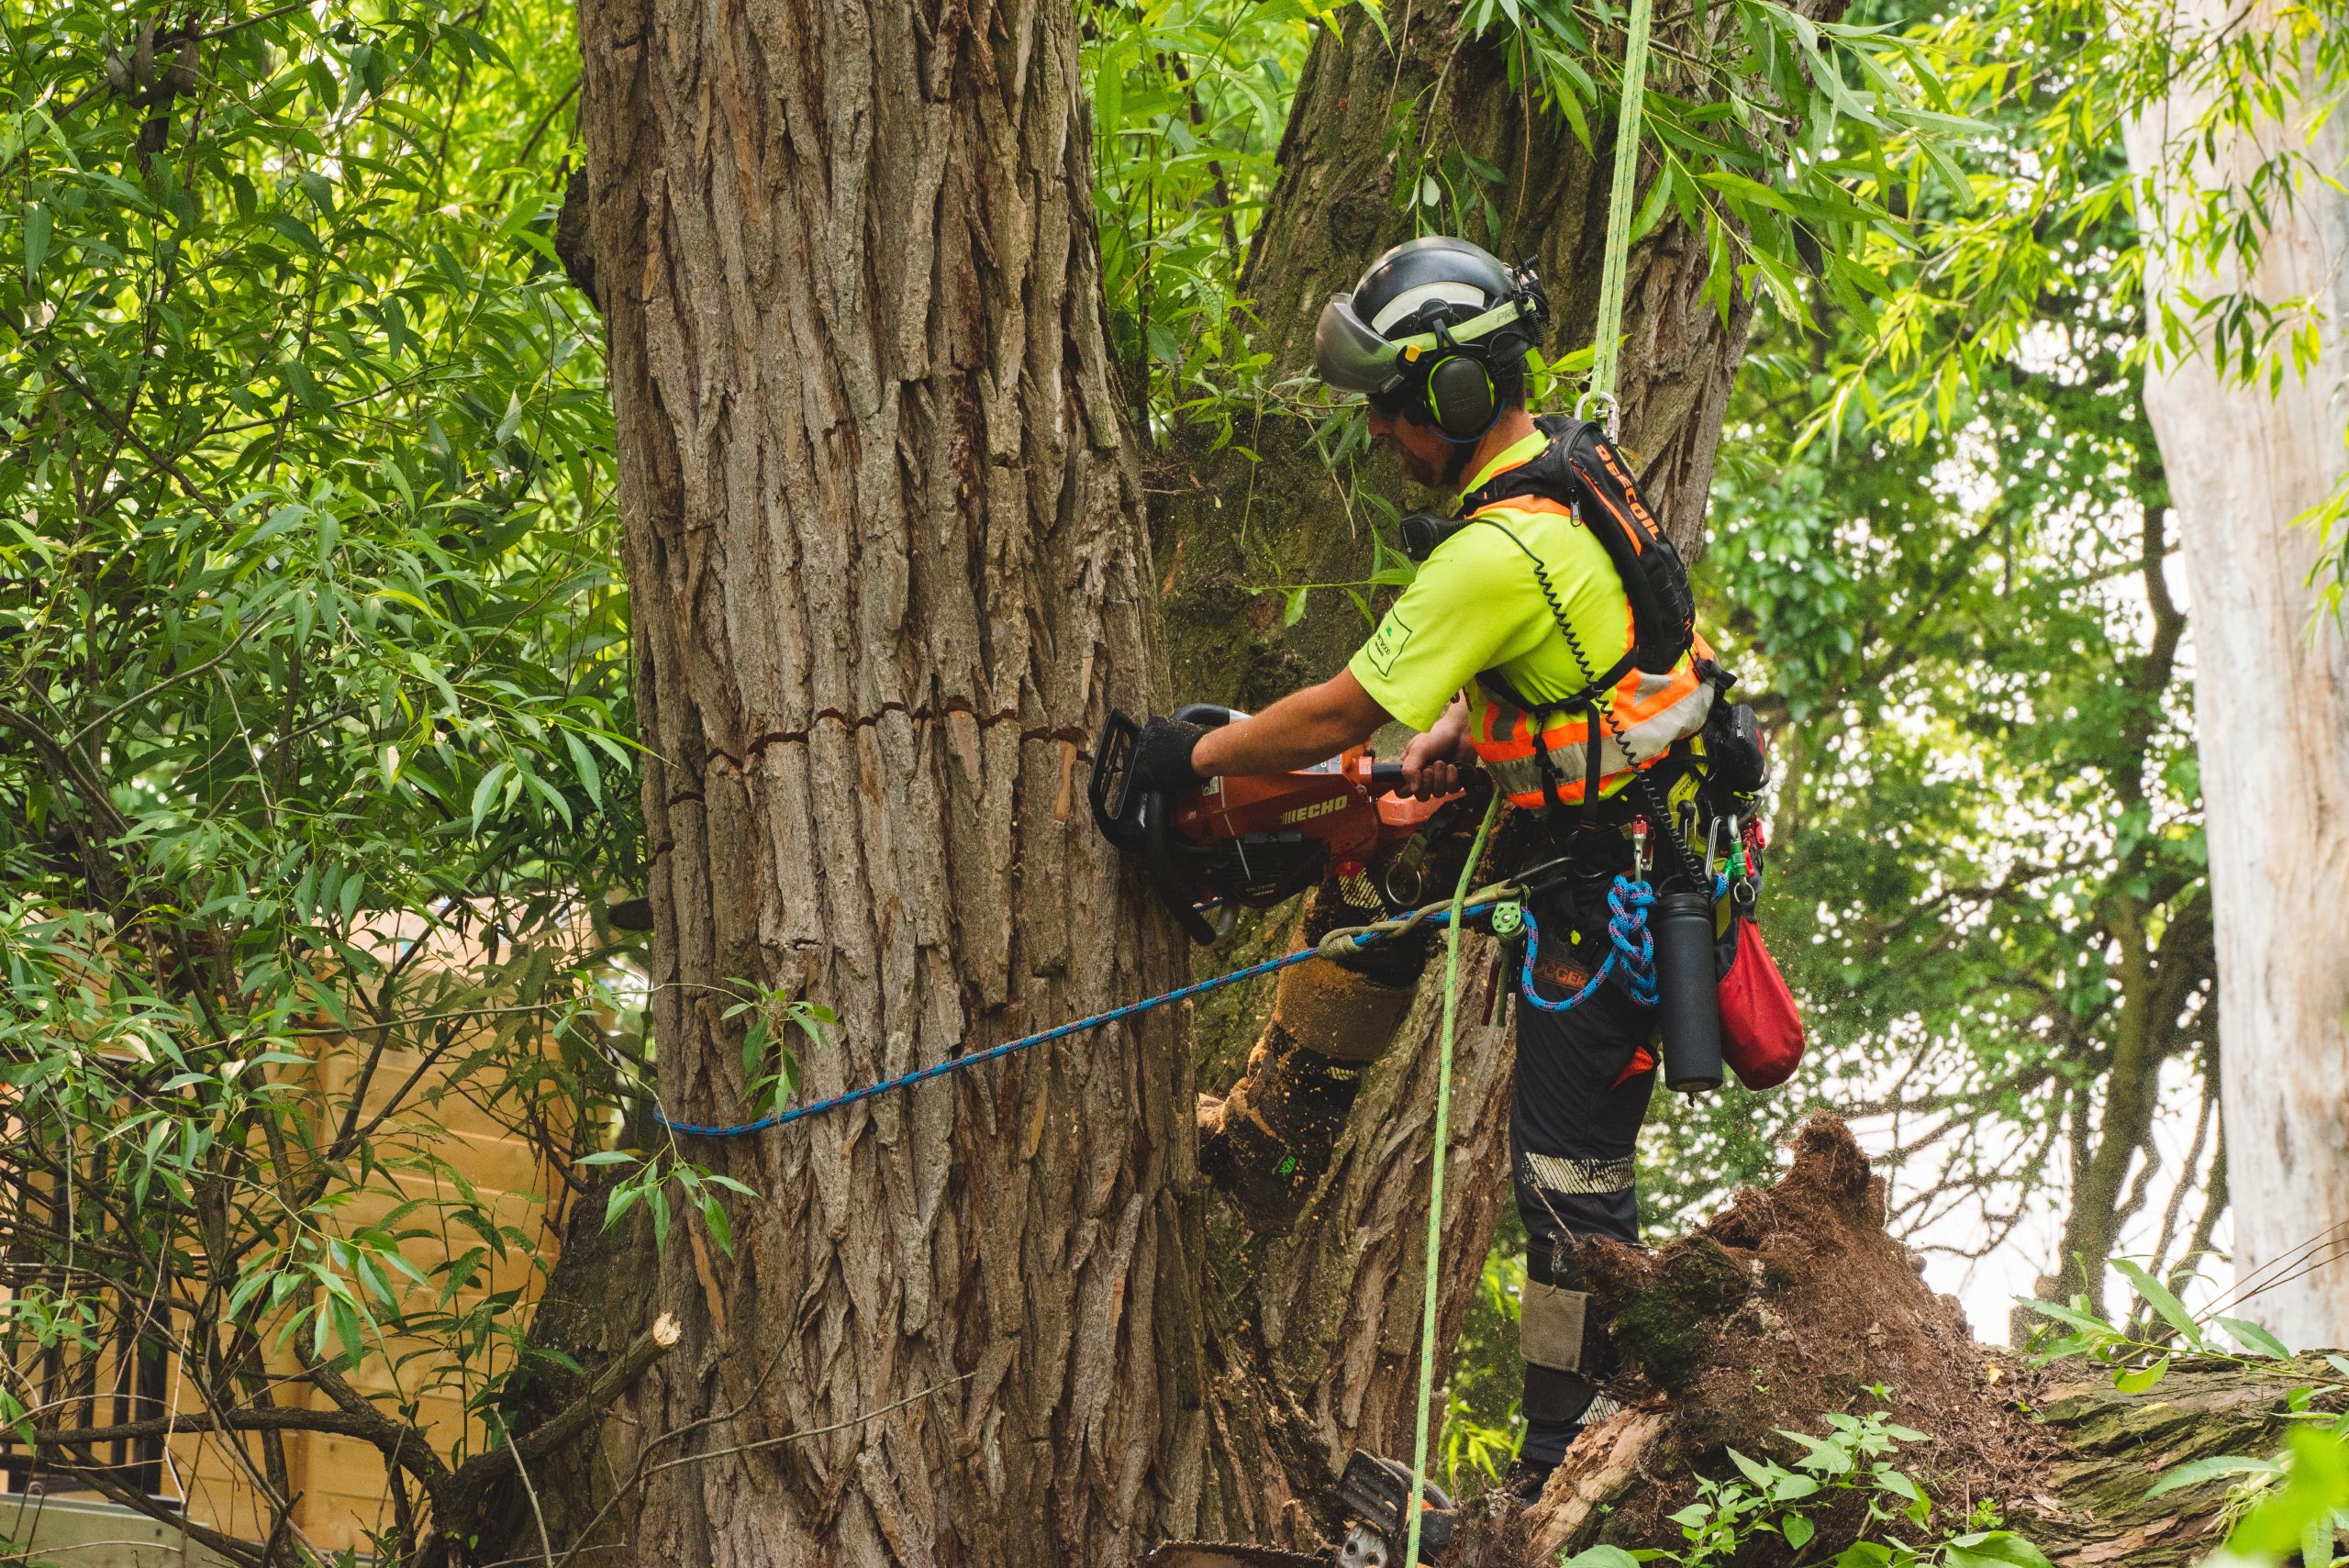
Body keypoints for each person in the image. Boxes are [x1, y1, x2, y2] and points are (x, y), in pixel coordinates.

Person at [1124, 235, 1738, 1499]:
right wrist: (1480, 736)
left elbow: (1341, 715)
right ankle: (1273, 1135)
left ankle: (1565, 1461)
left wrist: (1198, 754)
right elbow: (1584, 652)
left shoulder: (1495, 551)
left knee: (1569, 1190)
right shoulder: (1558, 469)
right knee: (1382, 863)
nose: (1384, 434)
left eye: (1397, 408)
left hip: (1610, 882)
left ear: (1457, 400)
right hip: (1603, 824)